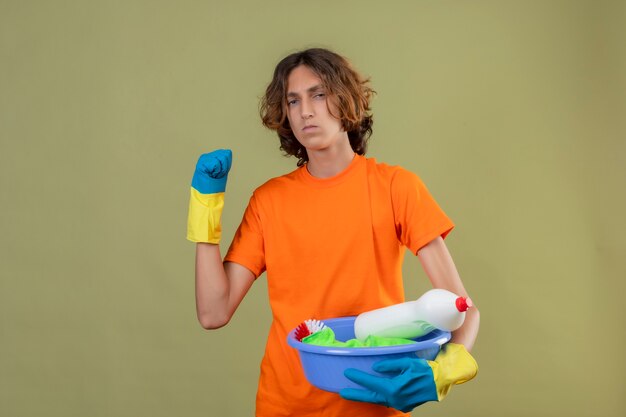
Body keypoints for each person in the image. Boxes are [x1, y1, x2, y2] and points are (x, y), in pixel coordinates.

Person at [187, 48, 479, 417]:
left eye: (319, 94)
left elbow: (462, 308)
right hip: (285, 406)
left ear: (346, 100)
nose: (306, 110)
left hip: (374, 406)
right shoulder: (268, 201)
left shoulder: (395, 188)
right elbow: (214, 312)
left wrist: (443, 371)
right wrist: (205, 208)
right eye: (294, 100)